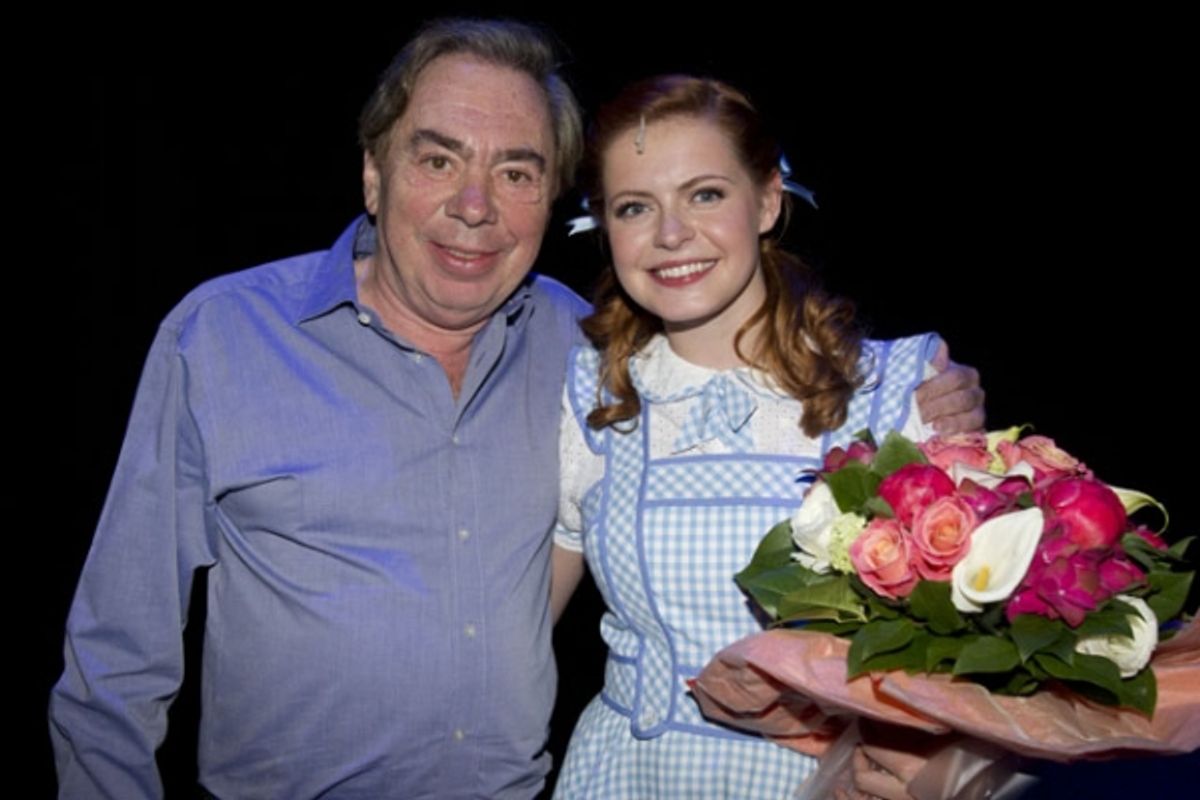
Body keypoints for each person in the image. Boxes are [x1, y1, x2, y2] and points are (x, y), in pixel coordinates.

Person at [50, 19, 983, 800]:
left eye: (518, 171)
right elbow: (118, 650)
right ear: (373, 175)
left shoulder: (586, 356)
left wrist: (947, 435)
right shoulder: (223, 336)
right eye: (438, 157)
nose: (473, 205)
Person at [548, 75, 964, 798]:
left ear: (768, 200)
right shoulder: (594, 393)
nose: (671, 234)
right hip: (627, 776)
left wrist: (941, 773)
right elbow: (516, 636)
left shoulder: (899, 392)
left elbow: (980, 663)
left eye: (705, 194)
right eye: (635, 207)